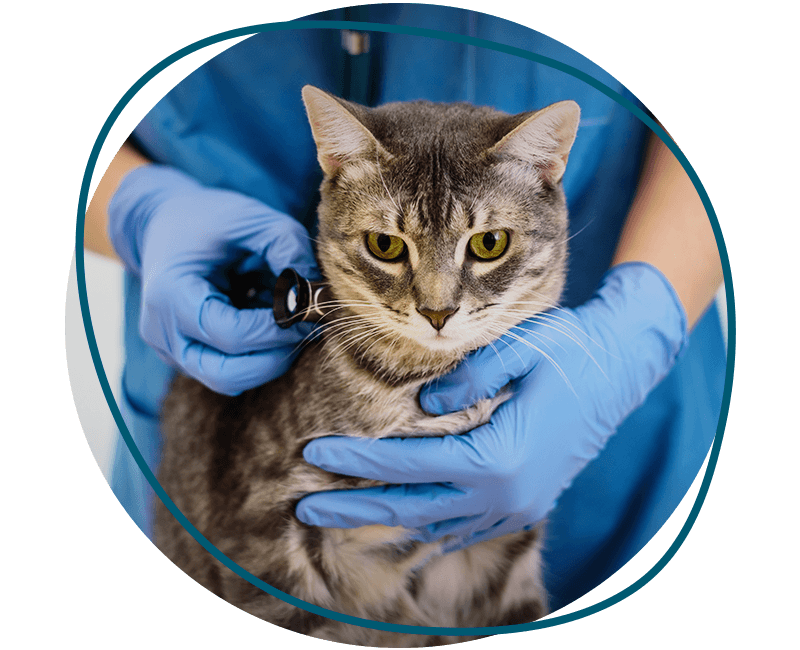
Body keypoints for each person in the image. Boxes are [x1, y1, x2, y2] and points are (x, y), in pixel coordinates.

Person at [83, 4, 726, 613]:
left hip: (614, 364)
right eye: (390, 246)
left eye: (488, 244)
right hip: (216, 335)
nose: (437, 306)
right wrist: (133, 205)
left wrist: (644, 320)